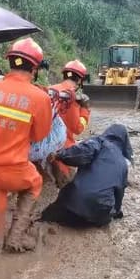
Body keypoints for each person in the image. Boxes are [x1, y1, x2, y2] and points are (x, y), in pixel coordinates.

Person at [0, 37, 52, 256]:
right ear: (34, 68)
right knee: (35, 183)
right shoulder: (40, 97)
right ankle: (16, 235)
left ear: (10, 61)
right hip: (13, 170)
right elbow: (40, 135)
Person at [41, 124, 132, 227]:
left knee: (48, 215)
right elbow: (119, 193)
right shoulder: (123, 164)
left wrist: (59, 155)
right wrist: (117, 212)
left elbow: (79, 153)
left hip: (72, 204)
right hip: (98, 216)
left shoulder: (100, 142)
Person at [48, 59, 91, 188]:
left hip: (41, 143)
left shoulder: (50, 89)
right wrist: (85, 110)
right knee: (70, 185)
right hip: (61, 147)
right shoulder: (72, 98)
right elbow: (77, 128)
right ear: (80, 80)